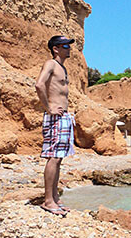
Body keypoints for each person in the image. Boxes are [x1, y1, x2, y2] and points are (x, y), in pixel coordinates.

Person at [35, 35, 76, 216]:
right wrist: (48, 107)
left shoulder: (62, 68)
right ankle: (48, 201)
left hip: (63, 117)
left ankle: (55, 198)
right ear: (55, 49)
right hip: (55, 118)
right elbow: (39, 84)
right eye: (65, 45)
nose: (69, 48)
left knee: (59, 158)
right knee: (53, 157)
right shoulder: (50, 64)